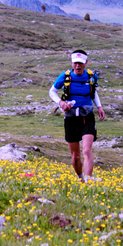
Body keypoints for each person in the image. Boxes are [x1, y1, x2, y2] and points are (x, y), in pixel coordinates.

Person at [49, 50, 106, 181]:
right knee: (75, 155)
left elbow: (93, 93)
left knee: (86, 150)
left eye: (81, 63)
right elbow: (52, 91)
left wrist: (99, 106)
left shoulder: (92, 77)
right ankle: (80, 178)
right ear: (72, 62)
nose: (78, 66)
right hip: (71, 117)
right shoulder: (65, 77)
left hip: (87, 116)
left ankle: (88, 181)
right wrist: (60, 102)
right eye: (75, 63)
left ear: (86, 62)